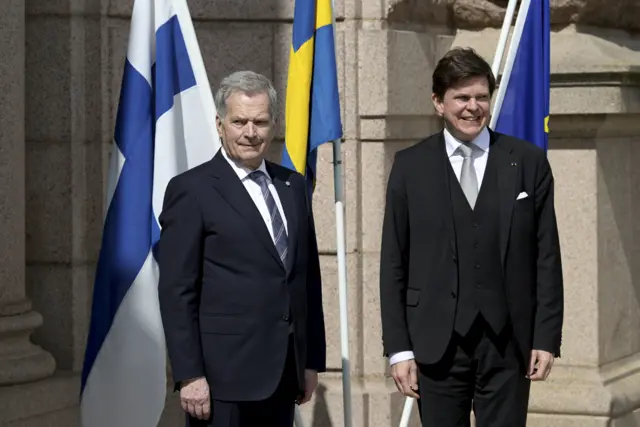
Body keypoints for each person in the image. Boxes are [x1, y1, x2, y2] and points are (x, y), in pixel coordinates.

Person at [379, 47, 564, 426]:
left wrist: (546, 338)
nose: (472, 107)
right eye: (461, 97)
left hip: (509, 343)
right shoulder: (410, 167)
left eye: (481, 97)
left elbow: (546, 257)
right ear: (438, 102)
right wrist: (399, 350)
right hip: (436, 343)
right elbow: (393, 261)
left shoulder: (527, 162)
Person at [158, 70, 326, 427]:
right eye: (240, 121)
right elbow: (177, 290)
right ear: (220, 125)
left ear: (273, 124)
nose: (251, 132)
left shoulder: (292, 186)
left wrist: (311, 360)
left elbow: (307, 279)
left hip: (283, 375)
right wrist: (190, 375)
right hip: (221, 381)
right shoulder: (192, 190)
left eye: (261, 122)